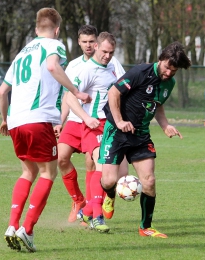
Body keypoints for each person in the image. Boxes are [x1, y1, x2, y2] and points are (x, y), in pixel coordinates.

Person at [0, 7, 91, 253]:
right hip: (37, 119)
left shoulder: (20, 54)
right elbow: (52, 67)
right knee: (48, 173)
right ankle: (27, 230)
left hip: (16, 121)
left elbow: (1, 92)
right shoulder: (53, 45)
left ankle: (11, 225)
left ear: (36, 28)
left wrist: (5, 119)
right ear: (56, 29)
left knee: (27, 172)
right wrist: (76, 91)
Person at [98, 41, 191, 238]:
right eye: (167, 68)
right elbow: (113, 92)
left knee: (149, 181)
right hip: (116, 131)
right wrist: (120, 121)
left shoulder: (170, 83)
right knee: (108, 180)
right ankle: (110, 194)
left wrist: (165, 125)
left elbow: (157, 105)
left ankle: (145, 227)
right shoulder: (139, 72)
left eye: (173, 71)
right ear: (160, 60)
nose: (168, 73)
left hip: (140, 134)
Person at [54, 25, 128, 223]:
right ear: (82, 43)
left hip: (106, 123)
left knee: (110, 169)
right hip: (82, 120)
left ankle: (94, 206)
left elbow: (123, 88)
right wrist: (61, 121)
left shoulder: (113, 65)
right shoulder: (78, 67)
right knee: (63, 157)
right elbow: (68, 96)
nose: (88, 45)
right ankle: (86, 206)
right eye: (84, 42)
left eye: (110, 52)